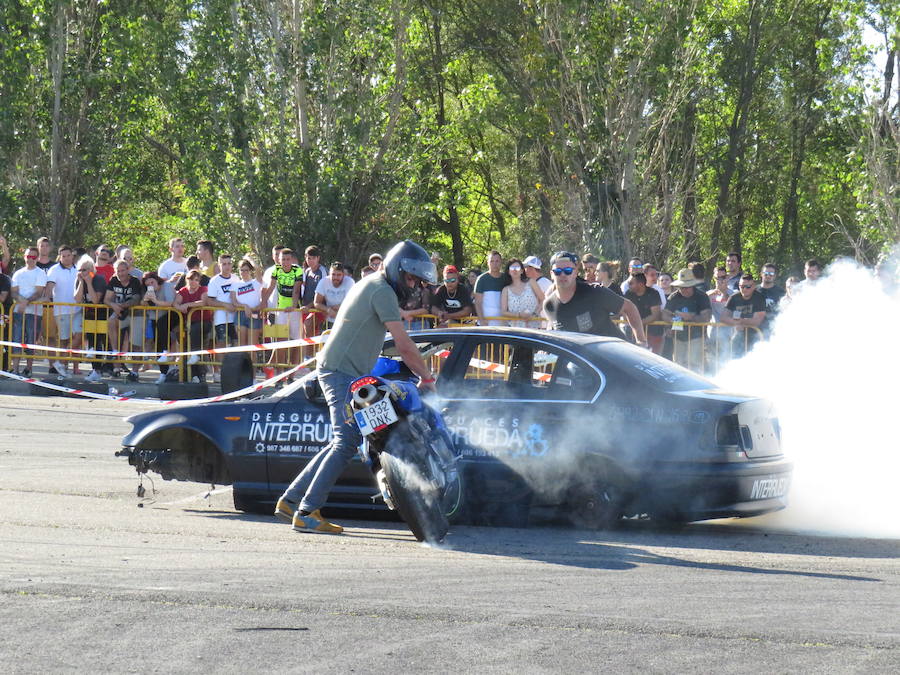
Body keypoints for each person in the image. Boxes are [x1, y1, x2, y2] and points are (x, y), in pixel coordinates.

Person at [274, 239, 439, 535]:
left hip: (341, 370)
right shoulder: (383, 291)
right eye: (412, 277)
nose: (414, 283)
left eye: (417, 279)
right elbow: (403, 344)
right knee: (346, 442)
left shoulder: (375, 284)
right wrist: (427, 378)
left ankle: (290, 501)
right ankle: (307, 512)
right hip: (341, 372)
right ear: (398, 269)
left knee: (340, 440)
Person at [543, 251, 647, 345]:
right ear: (552, 274)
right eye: (558, 271)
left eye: (568, 270)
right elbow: (552, 328)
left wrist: (641, 341)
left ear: (575, 273)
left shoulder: (595, 292)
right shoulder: (549, 305)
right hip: (581, 362)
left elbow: (629, 307)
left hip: (615, 355)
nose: (563, 274)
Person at [662, 268, 712, 370]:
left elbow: (706, 317)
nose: (684, 290)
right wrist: (672, 322)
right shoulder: (673, 297)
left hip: (696, 337)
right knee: (678, 365)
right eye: (681, 287)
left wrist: (690, 317)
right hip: (678, 337)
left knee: (695, 364)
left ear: (692, 285)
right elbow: (665, 314)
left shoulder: (702, 296)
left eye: (686, 287)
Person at [10, 246, 47, 376]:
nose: (30, 259)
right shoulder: (18, 273)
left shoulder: (40, 273)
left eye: (33, 257)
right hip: (18, 312)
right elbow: (13, 292)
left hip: (34, 312)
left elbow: (38, 292)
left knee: (31, 340)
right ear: (24, 257)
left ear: (37, 258)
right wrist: (22, 302)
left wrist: (25, 302)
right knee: (16, 339)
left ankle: (29, 369)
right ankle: (15, 369)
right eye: (28, 256)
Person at [44, 245, 80, 376]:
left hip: (77, 309)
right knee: (64, 339)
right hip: (61, 310)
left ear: (72, 255)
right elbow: (50, 286)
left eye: (68, 255)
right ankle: (63, 366)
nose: (66, 258)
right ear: (60, 256)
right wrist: (47, 297)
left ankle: (62, 361)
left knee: (79, 336)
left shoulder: (78, 269)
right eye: (63, 256)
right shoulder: (54, 270)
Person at [104, 259, 144, 379]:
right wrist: (114, 305)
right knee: (111, 325)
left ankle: (135, 371)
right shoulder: (114, 280)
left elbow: (136, 299)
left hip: (135, 313)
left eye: (123, 270)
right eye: (118, 271)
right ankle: (116, 366)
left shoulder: (135, 281)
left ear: (128, 270)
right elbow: (107, 299)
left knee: (135, 343)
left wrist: (120, 306)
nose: (120, 273)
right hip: (119, 313)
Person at [174, 270, 212, 383]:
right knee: (185, 345)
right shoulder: (183, 291)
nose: (193, 282)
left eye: (196, 280)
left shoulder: (203, 289)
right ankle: (190, 374)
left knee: (196, 340)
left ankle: (200, 372)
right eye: (191, 279)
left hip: (203, 322)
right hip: (188, 323)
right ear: (187, 279)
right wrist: (179, 307)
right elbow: (175, 303)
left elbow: (203, 302)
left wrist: (187, 305)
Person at [74, 258, 108, 382]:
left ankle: (101, 369)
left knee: (99, 342)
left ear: (90, 270)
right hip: (88, 315)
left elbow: (95, 300)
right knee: (92, 342)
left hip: (102, 315)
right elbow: (77, 299)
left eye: (84, 270)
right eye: (80, 270)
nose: (82, 272)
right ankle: (95, 370)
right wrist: (82, 283)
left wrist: (89, 283)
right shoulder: (79, 280)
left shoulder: (98, 279)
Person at [140, 271, 177, 384]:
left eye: (152, 282)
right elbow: (142, 304)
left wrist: (155, 301)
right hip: (156, 318)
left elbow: (170, 303)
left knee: (161, 325)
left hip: (172, 314)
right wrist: (146, 299)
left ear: (156, 279)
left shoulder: (167, 286)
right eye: (148, 284)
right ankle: (163, 373)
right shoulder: (149, 291)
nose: (151, 285)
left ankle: (166, 351)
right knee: (157, 342)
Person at [206, 254, 238, 382]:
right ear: (219, 265)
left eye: (229, 263)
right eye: (224, 264)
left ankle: (232, 370)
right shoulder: (214, 281)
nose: (227, 266)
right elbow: (210, 301)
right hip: (220, 318)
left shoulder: (236, 278)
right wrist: (225, 305)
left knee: (235, 343)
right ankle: (217, 372)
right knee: (221, 344)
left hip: (235, 318)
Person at [720, 274, 766, 357]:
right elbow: (723, 317)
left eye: (747, 286)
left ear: (753, 286)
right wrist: (736, 323)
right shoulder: (733, 298)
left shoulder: (759, 298)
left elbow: (757, 321)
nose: (744, 289)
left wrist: (740, 322)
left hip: (756, 339)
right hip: (738, 338)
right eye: (741, 286)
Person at [230, 258, 264, 352]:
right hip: (240, 314)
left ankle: (253, 366)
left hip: (254, 314)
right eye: (242, 270)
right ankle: (243, 366)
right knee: (242, 347)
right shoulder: (235, 285)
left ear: (250, 271)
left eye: (246, 270)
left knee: (252, 347)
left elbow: (258, 269)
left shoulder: (256, 282)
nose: (244, 272)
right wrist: (245, 306)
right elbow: (234, 301)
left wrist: (249, 259)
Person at [624, 272, 662, 352]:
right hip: (632, 333)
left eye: (631, 283)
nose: (628, 285)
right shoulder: (628, 294)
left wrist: (638, 324)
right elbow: (624, 313)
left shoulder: (653, 293)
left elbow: (655, 315)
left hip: (652, 333)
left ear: (640, 284)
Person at [706, 266, 734, 365]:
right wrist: (709, 296)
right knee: (712, 363)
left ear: (727, 278)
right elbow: (703, 310)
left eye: (722, 277)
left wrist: (724, 292)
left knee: (726, 361)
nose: (719, 280)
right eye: (717, 278)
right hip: (712, 334)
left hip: (728, 334)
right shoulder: (708, 294)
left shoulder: (733, 294)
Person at [501, 258, 541, 327]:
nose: (514, 270)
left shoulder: (531, 282)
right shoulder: (506, 290)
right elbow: (503, 312)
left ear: (522, 270)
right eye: (512, 268)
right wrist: (519, 315)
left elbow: (543, 299)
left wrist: (535, 314)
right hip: (516, 330)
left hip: (534, 327)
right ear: (508, 271)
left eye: (517, 268)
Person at [314, 261, 356, 328]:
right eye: (333, 274)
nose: (336, 277)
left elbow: (353, 302)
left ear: (343, 275)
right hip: (330, 320)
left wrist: (339, 307)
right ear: (329, 274)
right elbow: (316, 303)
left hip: (347, 320)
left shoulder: (349, 282)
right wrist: (328, 310)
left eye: (339, 275)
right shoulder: (323, 282)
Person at [300, 245, 325, 339]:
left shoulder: (322, 271)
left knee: (309, 326)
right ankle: (308, 353)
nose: (310, 260)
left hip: (319, 309)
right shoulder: (306, 272)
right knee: (305, 336)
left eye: (313, 258)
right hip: (306, 308)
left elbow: (323, 294)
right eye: (308, 258)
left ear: (318, 258)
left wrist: (309, 306)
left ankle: (310, 354)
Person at [474, 251, 505, 325]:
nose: (494, 264)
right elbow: (478, 303)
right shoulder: (481, 279)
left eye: (497, 261)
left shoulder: (506, 278)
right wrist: (482, 320)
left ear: (501, 262)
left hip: (503, 322)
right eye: (492, 261)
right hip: (486, 323)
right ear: (488, 263)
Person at [757, 263, 786, 336]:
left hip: (775, 331)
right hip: (755, 331)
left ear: (775, 276)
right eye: (766, 273)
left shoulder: (781, 292)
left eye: (771, 274)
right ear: (761, 274)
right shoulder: (753, 291)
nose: (768, 276)